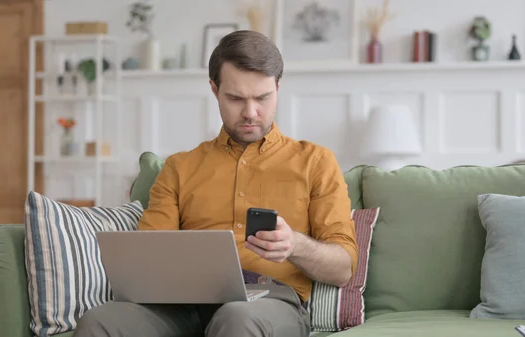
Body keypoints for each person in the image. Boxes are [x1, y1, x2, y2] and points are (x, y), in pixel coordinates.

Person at [74, 30, 358, 337]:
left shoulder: (315, 162)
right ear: (214, 89)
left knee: (237, 318)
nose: (250, 113)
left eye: (262, 98)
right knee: (100, 320)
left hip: (269, 303)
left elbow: (343, 269)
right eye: (235, 98)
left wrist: (296, 245)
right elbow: (149, 259)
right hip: (182, 307)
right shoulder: (179, 167)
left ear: (278, 87)